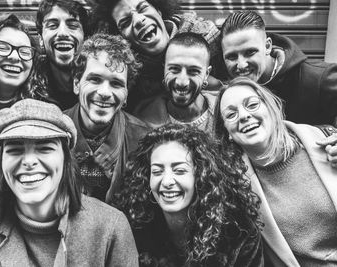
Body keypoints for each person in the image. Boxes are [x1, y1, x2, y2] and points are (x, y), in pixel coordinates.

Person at [0, 99, 138, 266]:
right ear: (1, 162)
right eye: (15, 150)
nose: (29, 161)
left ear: (66, 159)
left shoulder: (111, 226)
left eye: (45, 148)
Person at [214, 77, 337, 266]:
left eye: (252, 105)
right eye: (231, 115)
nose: (244, 116)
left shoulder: (326, 142)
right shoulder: (234, 187)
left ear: (271, 108)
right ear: (228, 133)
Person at [113, 123, 263, 266]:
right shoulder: (133, 228)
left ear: (202, 176)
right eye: (157, 171)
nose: (166, 182)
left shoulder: (239, 233)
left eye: (179, 171)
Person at [64, 33, 150, 203]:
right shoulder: (54, 130)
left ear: (126, 95)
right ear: (76, 84)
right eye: (95, 79)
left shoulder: (144, 142)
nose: (104, 93)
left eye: (116, 83)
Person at [93, 0, 222, 111]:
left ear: (159, 11)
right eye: (126, 22)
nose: (138, 20)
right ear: (122, 38)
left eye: (143, 8)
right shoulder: (129, 78)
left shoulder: (211, 41)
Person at [220, 10, 337, 126]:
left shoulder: (319, 78)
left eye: (250, 52)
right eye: (231, 57)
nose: (241, 65)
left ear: (267, 46)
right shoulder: (228, 93)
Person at [134, 32, 221, 131]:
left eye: (193, 71)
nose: (182, 82)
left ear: (206, 74)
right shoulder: (142, 121)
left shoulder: (225, 112)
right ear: (164, 69)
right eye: (174, 69)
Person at [35, 0, 89, 110]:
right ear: (41, 39)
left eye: (73, 25)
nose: (63, 33)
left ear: (85, 37)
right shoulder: (30, 87)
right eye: (53, 25)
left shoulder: (99, 82)